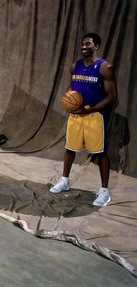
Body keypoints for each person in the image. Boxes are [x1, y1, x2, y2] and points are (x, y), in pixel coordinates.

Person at [50, 33, 118, 207]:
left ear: (96, 46)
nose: (84, 46)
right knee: (69, 148)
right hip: (75, 115)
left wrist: (91, 108)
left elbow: (112, 96)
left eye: (88, 44)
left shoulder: (105, 67)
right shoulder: (76, 66)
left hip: (94, 115)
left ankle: (104, 191)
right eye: (82, 44)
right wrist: (68, 100)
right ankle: (65, 181)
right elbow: (72, 87)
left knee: (101, 153)